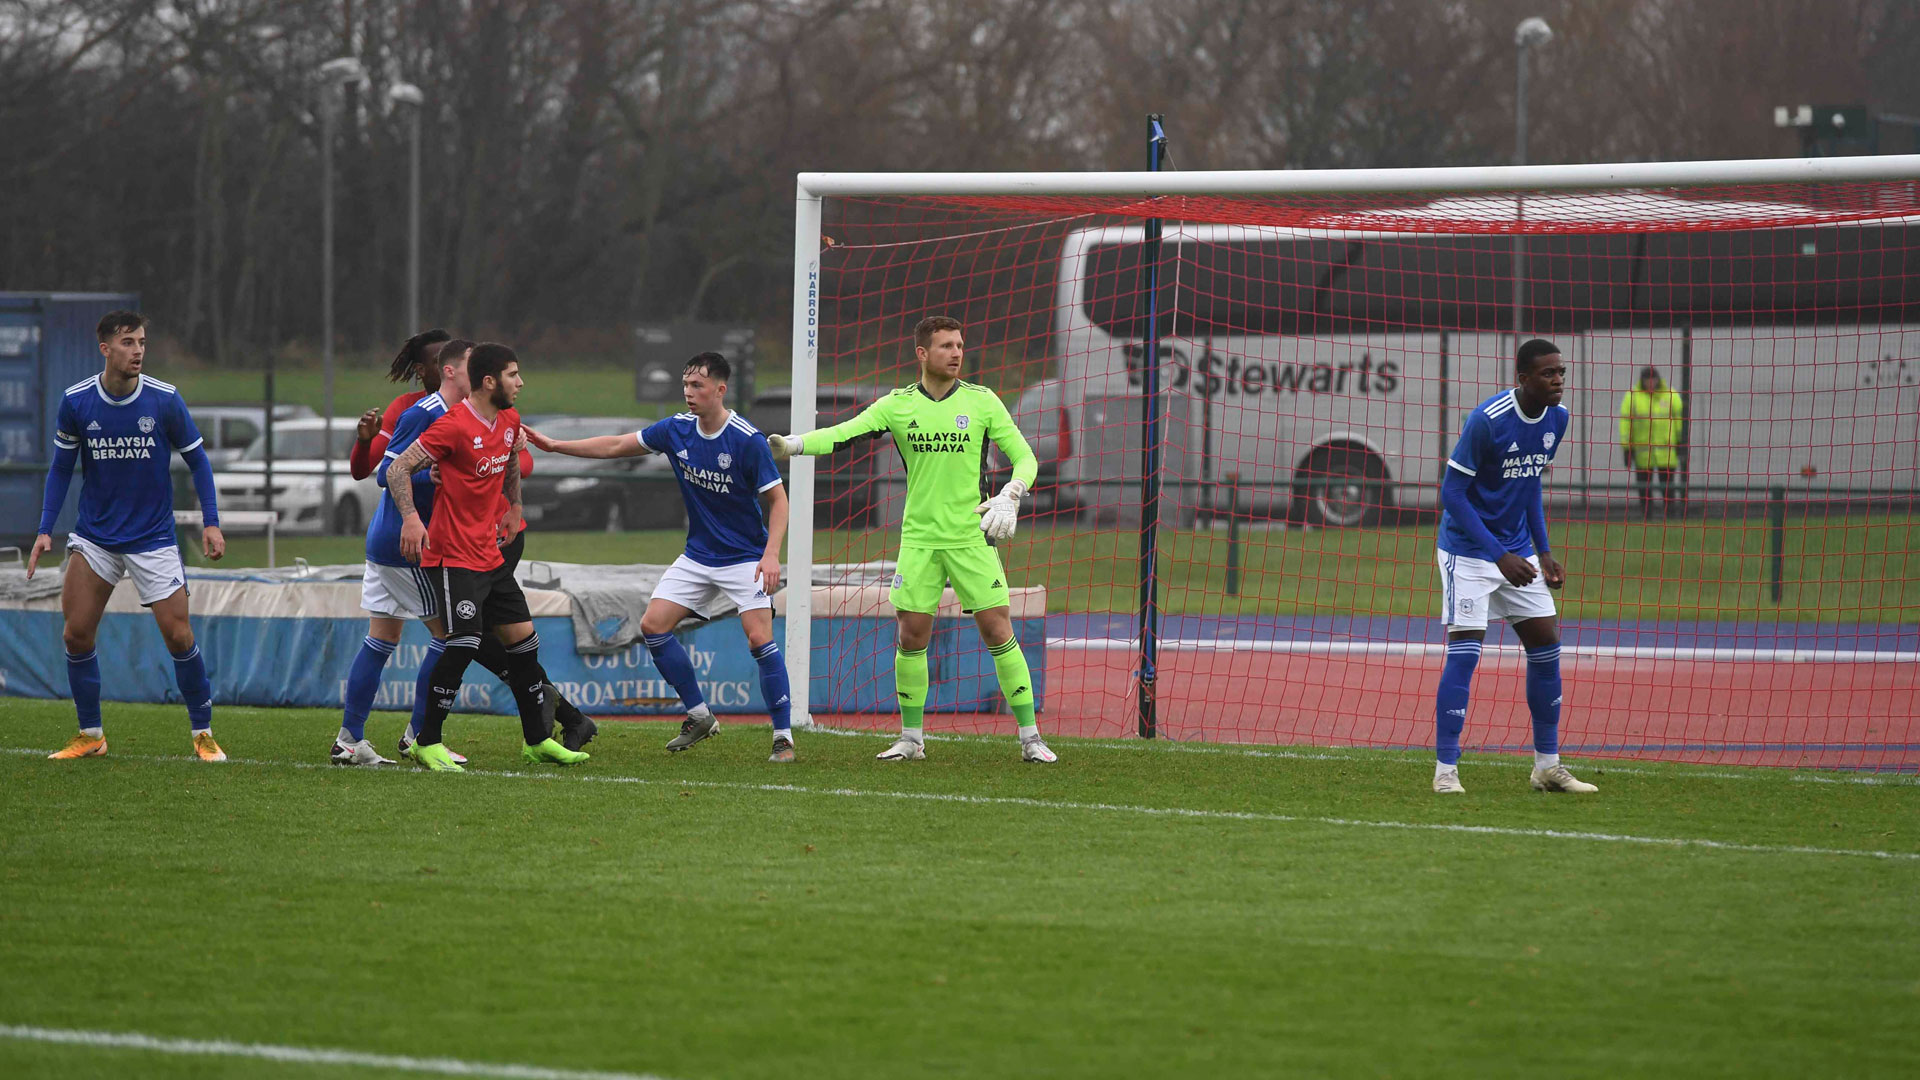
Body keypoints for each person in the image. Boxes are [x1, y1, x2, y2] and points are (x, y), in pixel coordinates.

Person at [769, 315, 1049, 763]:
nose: (956, 353)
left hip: (970, 537)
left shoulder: (983, 402)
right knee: (912, 635)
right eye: (945, 346)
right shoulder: (897, 405)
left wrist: (1011, 493)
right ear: (922, 353)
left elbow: (1025, 458)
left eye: (959, 345)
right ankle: (911, 739)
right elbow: (844, 434)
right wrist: (794, 444)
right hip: (919, 540)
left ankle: (1031, 738)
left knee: (998, 628)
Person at [527, 352, 795, 761]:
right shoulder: (676, 429)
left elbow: (778, 501)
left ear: (720, 390)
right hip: (698, 556)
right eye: (686, 385)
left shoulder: (746, 439)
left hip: (745, 558)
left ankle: (783, 736)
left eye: (698, 386)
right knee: (653, 625)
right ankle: (700, 715)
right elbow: (618, 444)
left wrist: (771, 554)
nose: (689, 393)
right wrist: (555, 445)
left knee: (759, 638)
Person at [371, 342, 596, 764]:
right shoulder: (452, 425)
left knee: (525, 642)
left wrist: (514, 508)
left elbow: (511, 459)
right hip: (453, 556)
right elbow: (398, 468)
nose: (521, 382)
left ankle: (536, 740)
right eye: (514, 374)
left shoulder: (509, 419)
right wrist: (412, 520)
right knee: (464, 642)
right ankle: (427, 740)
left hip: (491, 555)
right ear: (489, 381)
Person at [26, 310, 228, 762]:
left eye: (141, 342)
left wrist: (210, 520)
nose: (138, 350)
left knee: (179, 636)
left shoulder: (164, 399)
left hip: (153, 537)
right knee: (76, 635)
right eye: (128, 342)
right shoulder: (77, 401)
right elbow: (61, 468)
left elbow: (198, 460)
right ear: (105, 349)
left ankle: (203, 733)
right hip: (95, 536)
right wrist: (44, 529)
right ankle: (91, 735)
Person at [1433, 338, 1595, 795]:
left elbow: (1527, 487)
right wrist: (1497, 556)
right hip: (1466, 550)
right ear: (1523, 379)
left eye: (1561, 372)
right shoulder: (1487, 420)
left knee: (1546, 644)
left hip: (1516, 551)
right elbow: (1452, 495)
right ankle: (1446, 770)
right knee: (1466, 652)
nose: (1558, 380)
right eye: (1548, 374)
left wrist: (1541, 552)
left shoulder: (1557, 420)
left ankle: (1547, 765)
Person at [332, 329, 450, 765]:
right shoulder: (419, 410)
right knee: (451, 636)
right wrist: (434, 475)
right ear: (428, 369)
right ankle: (420, 735)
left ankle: (349, 740)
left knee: (381, 639)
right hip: (405, 540)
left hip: (386, 539)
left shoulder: (463, 409)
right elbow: (384, 473)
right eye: (444, 360)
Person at [1619, 365, 1685, 518]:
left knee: (1668, 487)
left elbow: (1680, 420)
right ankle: (1647, 515)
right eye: (1647, 379)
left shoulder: (1670, 395)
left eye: (1653, 379)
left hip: (1666, 452)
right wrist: (1627, 448)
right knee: (1644, 488)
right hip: (1643, 453)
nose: (1650, 383)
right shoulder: (1632, 397)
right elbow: (1625, 423)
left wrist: (1681, 443)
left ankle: (1670, 515)